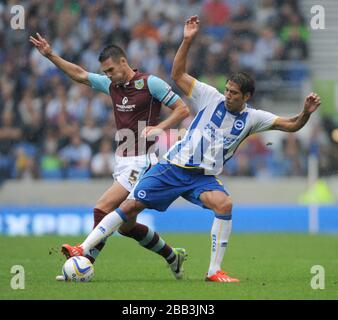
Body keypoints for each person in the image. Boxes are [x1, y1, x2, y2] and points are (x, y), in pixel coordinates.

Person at [61, 15, 321, 282]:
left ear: (247, 97)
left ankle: (214, 271)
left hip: (202, 178)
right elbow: (178, 75)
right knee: (128, 209)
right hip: (172, 167)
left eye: (234, 93)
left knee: (225, 204)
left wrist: (305, 113)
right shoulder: (210, 96)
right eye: (228, 90)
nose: (228, 95)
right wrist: (186, 40)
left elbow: (290, 125)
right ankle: (83, 248)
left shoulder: (253, 118)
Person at [29, 33, 190, 280]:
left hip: (143, 159)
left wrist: (160, 128)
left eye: (111, 70)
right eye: (105, 72)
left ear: (124, 62)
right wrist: (50, 55)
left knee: (102, 208)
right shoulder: (112, 86)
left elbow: (182, 109)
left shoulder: (150, 83)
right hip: (122, 160)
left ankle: (82, 258)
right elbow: (80, 75)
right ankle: (172, 256)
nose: (108, 75)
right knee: (126, 227)